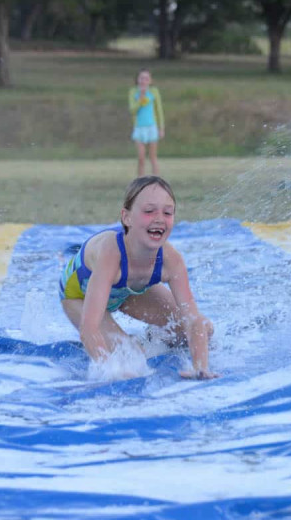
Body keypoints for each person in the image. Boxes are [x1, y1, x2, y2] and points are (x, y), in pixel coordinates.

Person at [59, 176, 216, 380]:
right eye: (149, 211)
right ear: (126, 218)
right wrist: (107, 368)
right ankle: (133, 345)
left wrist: (200, 367)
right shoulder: (111, 253)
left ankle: (152, 337)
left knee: (205, 331)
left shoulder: (171, 260)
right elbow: (89, 327)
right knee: (129, 356)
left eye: (167, 212)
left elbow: (193, 320)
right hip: (78, 295)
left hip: (126, 291)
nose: (159, 218)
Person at [128, 68, 165, 177]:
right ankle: (140, 182)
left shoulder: (154, 92)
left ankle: (156, 181)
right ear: (137, 80)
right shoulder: (133, 92)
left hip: (152, 127)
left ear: (150, 80)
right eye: (141, 78)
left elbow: (159, 110)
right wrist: (141, 98)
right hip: (139, 128)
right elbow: (132, 110)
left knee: (153, 157)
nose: (144, 81)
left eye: (146, 78)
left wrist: (161, 127)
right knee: (141, 157)